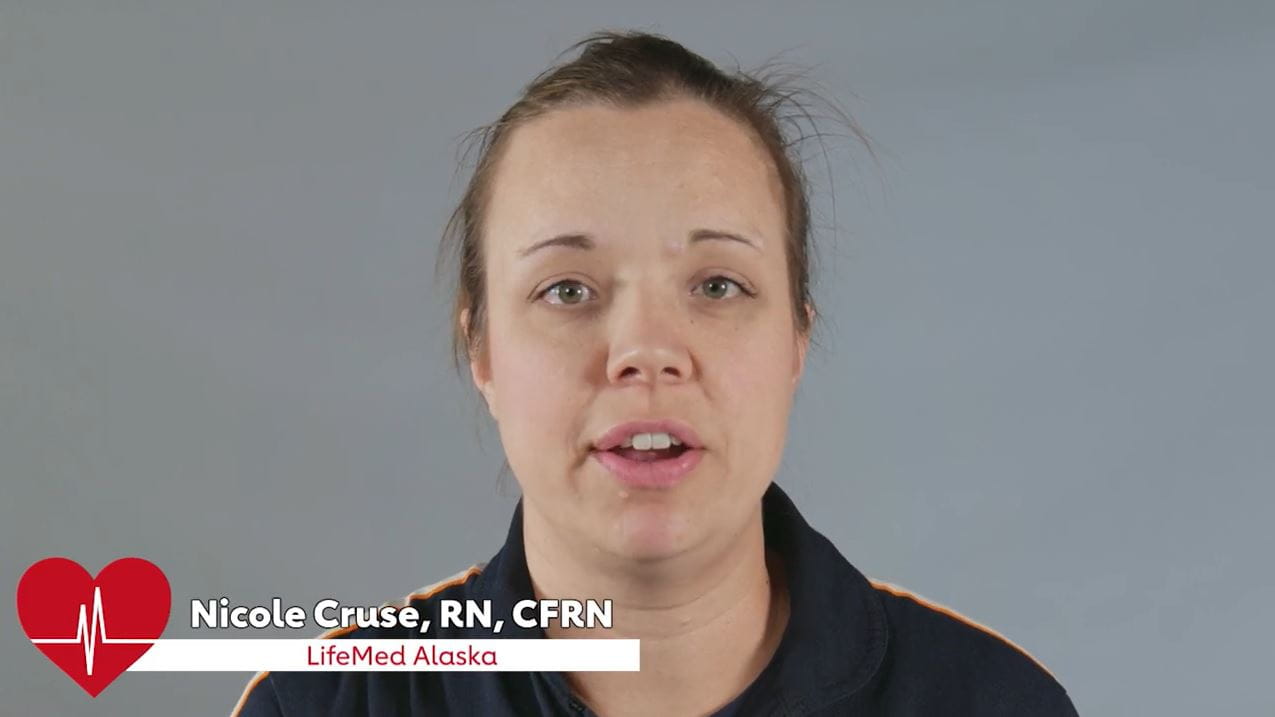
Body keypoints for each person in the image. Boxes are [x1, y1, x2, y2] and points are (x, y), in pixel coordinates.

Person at [233, 30, 1078, 716]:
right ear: (482, 352)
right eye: (567, 290)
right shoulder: (325, 706)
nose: (644, 350)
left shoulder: (990, 703)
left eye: (717, 284)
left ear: (795, 340)